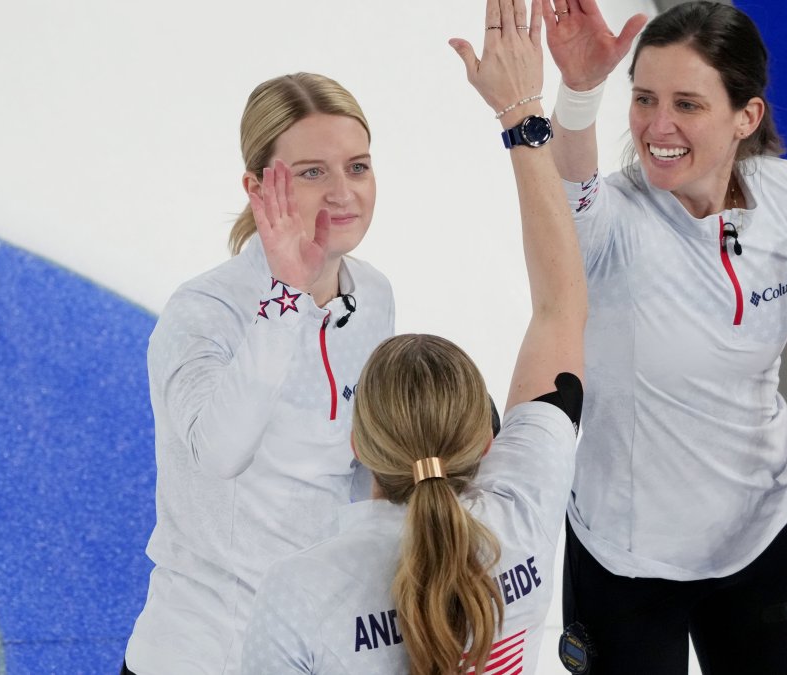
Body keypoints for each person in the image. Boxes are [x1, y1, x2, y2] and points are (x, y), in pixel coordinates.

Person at [541, 1, 787, 673]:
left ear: (746, 117)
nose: (658, 126)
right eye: (644, 99)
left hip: (762, 538)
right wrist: (581, 89)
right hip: (628, 560)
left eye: (687, 103)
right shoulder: (613, 221)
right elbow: (568, 189)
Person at [239, 1, 585, 672]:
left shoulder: (299, 593)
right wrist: (521, 112)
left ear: (360, 445)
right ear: (489, 441)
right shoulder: (522, 508)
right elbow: (562, 309)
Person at [122, 73, 395, 674]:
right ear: (256, 187)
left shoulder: (373, 297)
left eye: (358, 166)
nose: (343, 193)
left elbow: (364, 475)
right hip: (202, 654)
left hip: (313, 648)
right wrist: (284, 303)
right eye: (311, 172)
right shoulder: (204, 313)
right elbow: (220, 452)